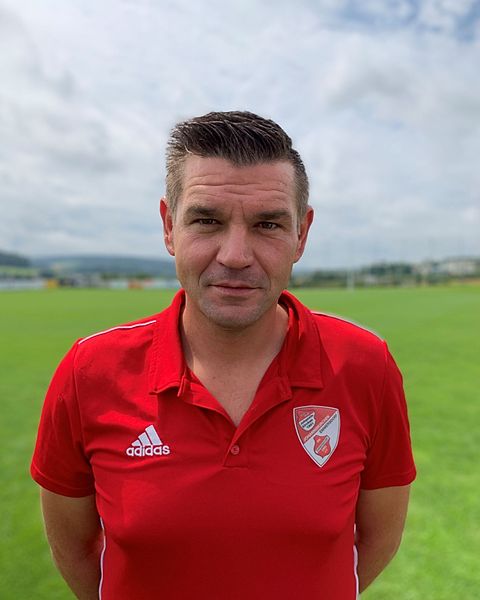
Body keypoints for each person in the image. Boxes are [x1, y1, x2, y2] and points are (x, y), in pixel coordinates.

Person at [31, 110, 416, 600]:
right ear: (169, 226)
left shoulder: (366, 364)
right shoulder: (89, 371)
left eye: (268, 224)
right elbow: (77, 550)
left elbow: (379, 538)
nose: (235, 255)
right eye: (207, 220)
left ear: (301, 234)